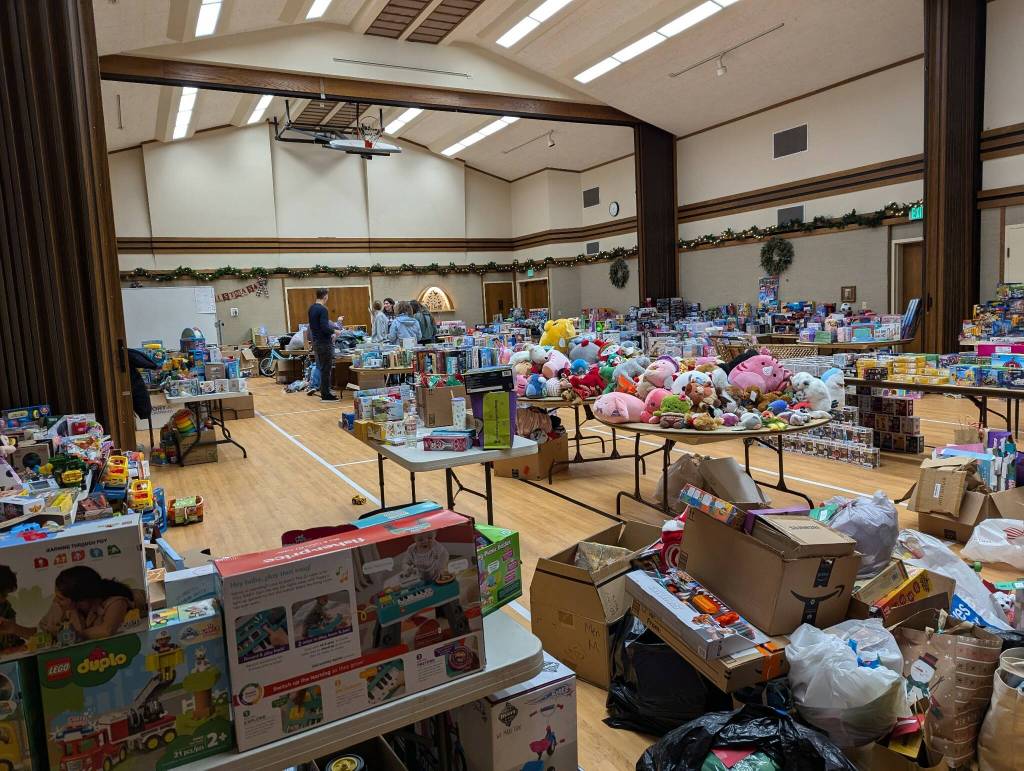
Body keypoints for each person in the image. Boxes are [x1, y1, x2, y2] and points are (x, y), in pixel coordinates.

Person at [38, 566, 145, 641]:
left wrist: (74, 635)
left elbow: (106, 630)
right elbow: (42, 631)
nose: (55, 600)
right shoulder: (64, 606)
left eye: (60, 598)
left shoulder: (115, 601)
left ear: (79, 599)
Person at [308, 288, 337, 401]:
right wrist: (335, 331)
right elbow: (324, 327)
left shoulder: (311, 308)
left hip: (316, 342)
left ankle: (324, 391)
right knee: (326, 369)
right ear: (325, 296)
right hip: (324, 343)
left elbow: (315, 326)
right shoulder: (323, 309)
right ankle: (326, 394)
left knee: (322, 367)